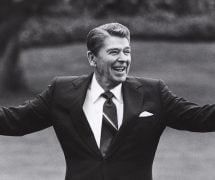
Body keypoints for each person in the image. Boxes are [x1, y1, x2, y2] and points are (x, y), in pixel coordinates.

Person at [0, 22, 215, 180]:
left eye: (127, 51)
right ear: (92, 58)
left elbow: (199, 118)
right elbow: (15, 122)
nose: (123, 58)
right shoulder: (61, 91)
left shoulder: (153, 92)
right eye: (114, 52)